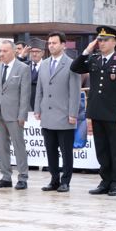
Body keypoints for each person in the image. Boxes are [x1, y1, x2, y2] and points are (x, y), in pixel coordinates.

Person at [71, 26, 116, 197]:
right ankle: (105, 181)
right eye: (100, 40)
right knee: (102, 150)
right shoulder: (94, 59)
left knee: (115, 150)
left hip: (114, 114)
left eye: (105, 40)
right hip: (97, 112)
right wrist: (87, 50)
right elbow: (75, 68)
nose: (102, 43)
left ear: (114, 42)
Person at [33, 32, 82, 192]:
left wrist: (73, 113)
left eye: (54, 43)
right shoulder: (45, 64)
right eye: (49, 43)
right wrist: (37, 109)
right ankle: (54, 179)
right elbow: (39, 89)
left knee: (66, 151)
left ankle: (65, 181)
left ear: (63, 45)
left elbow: (75, 91)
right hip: (47, 114)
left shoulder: (71, 64)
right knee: (51, 150)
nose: (51, 46)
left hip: (64, 115)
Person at [0, 40, 31, 190]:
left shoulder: (23, 68)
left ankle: (23, 177)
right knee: (2, 146)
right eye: (0, 51)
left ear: (14, 51)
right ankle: (6, 176)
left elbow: (25, 94)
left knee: (19, 146)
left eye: (5, 51)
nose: (2, 54)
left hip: (14, 114)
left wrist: (22, 115)